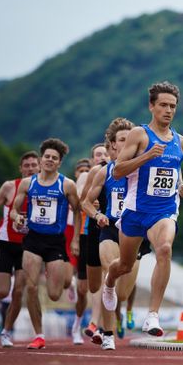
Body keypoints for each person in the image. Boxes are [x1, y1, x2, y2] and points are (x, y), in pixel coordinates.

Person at [102, 81, 183, 336]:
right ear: (151, 106)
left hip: (163, 210)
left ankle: (152, 315)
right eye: (163, 105)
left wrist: (181, 186)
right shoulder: (139, 135)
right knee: (125, 266)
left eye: (173, 106)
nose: (168, 110)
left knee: (164, 249)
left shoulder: (181, 142)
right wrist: (146, 156)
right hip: (135, 210)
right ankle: (110, 280)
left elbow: (174, 168)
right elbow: (118, 170)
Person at [83, 118, 150, 350]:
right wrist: (97, 215)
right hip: (110, 228)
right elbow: (86, 202)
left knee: (122, 294)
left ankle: (115, 316)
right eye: (123, 139)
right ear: (113, 145)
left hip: (135, 231)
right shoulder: (104, 172)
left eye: (130, 138)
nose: (128, 142)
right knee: (108, 272)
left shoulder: (143, 169)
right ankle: (107, 333)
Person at [10, 138, 82, 349]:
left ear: (59, 163)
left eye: (54, 158)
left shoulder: (66, 185)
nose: (50, 160)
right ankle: (39, 335)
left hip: (56, 243)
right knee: (31, 288)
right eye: (47, 157)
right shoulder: (28, 183)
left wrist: (76, 239)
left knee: (53, 293)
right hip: (33, 239)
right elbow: (14, 209)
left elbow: (78, 211)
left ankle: (56, 275)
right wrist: (16, 217)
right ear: (41, 160)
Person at [0, 151, 40, 347]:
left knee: (18, 292)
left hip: (28, 246)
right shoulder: (9, 187)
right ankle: (5, 324)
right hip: (6, 244)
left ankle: (6, 331)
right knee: (2, 292)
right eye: (27, 165)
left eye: (34, 165)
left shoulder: (44, 188)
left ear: (39, 167)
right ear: (20, 168)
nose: (30, 168)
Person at [78, 144, 109, 344]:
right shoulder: (87, 176)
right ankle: (100, 321)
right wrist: (93, 204)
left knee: (110, 277)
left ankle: (98, 324)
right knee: (92, 285)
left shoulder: (117, 172)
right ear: (91, 159)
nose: (102, 156)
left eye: (105, 153)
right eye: (98, 154)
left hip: (111, 228)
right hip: (89, 230)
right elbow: (82, 200)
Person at [70, 158, 91, 345]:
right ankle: (68, 280)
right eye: (81, 170)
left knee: (83, 290)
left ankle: (77, 325)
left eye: (87, 169)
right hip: (67, 235)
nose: (84, 172)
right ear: (76, 173)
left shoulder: (93, 183)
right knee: (60, 286)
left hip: (85, 234)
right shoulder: (68, 187)